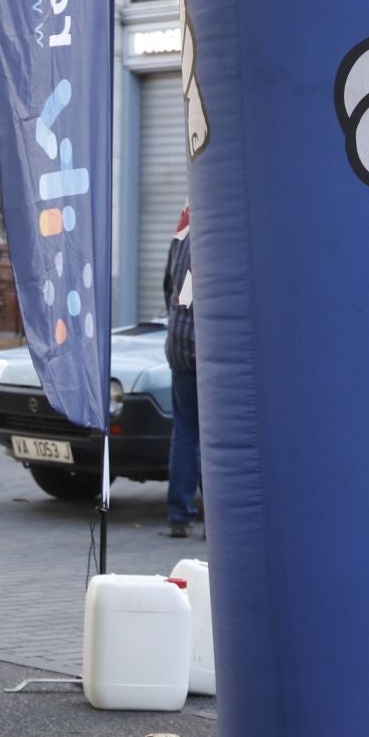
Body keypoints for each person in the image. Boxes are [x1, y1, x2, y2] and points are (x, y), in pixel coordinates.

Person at [163, 204, 198, 537]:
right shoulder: (225, 228)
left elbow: (168, 283)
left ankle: (179, 515)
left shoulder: (183, 229)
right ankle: (218, 520)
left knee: (185, 432)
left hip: (179, 341)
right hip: (213, 348)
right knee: (222, 437)